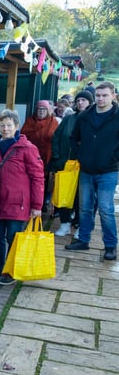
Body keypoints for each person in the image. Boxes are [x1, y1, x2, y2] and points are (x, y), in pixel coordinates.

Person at [0, 109, 44, 285]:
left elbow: (38, 177)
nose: (5, 129)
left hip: (17, 202)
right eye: (2, 125)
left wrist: (37, 205)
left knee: (14, 237)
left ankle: (11, 270)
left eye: (9, 125)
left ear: (17, 126)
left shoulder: (28, 148)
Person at [66, 82, 119, 260]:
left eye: (104, 95)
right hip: (87, 169)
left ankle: (110, 245)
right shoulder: (85, 116)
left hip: (108, 170)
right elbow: (74, 138)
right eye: (98, 95)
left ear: (113, 96)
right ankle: (83, 239)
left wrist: (113, 157)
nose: (101, 99)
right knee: (85, 207)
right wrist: (82, 156)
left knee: (105, 208)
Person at [50, 90, 94, 237]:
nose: (81, 103)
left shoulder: (94, 119)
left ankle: (81, 226)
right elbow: (56, 137)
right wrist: (57, 157)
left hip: (85, 166)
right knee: (64, 193)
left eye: (84, 100)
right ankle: (65, 224)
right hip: (66, 163)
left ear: (90, 102)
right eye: (79, 100)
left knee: (82, 198)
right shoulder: (69, 119)